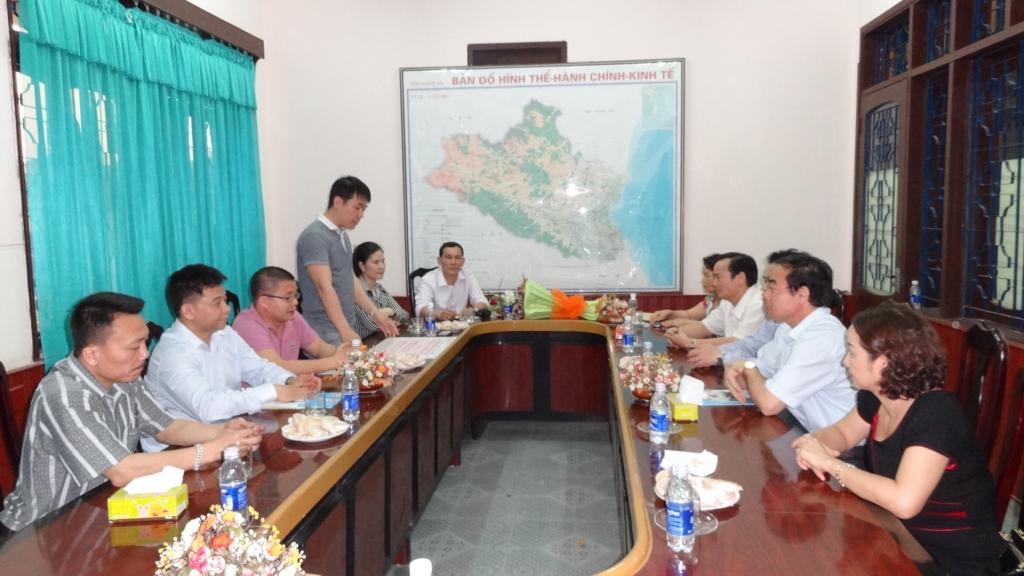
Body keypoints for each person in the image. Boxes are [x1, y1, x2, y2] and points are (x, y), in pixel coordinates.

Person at [0, 293, 262, 532]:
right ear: (92, 354)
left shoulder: (124, 377)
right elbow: (121, 470)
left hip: (104, 510)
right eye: (134, 347)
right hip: (44, 531)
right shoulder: (64, 394)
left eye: (145, 343)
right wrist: (213, 449)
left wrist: (224, 431)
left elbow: (166, 427)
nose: (145, 354)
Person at [793, 303, 1005, 575]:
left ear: (883, 363)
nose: (845, 361)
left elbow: (905, 502)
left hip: (951, 561)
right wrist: (814, 442)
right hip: (901, 538)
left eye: (852, 352)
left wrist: (831, 464)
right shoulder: (878, 397)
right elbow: (844, 433)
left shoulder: (937, 414)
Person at [144, 264, 319, 451]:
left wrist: (289, 381)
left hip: (227, 432)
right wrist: (274, 391)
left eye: (225, 300)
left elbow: (258, 368)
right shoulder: (172, 354)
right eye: (217, 303)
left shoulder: (225, 333)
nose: (226, 309)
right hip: (178, 449)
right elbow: (209, 407)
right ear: (189, 311)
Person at [723, 251, 855, 432]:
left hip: (836, 442)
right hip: (799, 428)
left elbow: (769, 404)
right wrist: (739, 370)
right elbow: (758, 373)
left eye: (771, 287)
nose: (764, 295)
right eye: (764, 287)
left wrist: (747, 367)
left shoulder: (822, 336)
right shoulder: (788, 328)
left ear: (802, 294)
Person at [295, 176, 399, 345]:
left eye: (364, 209)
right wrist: (343, 329)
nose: (361, 215)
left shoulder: (342, 235)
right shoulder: (314, 237)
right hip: (325, 329)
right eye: (357, 207)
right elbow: (324, 287)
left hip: (345, 325)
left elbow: (349, 278)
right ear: (338, 202)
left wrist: (374, 313)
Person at [688, 249, 800, 367]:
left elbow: (769, 369)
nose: (763, 291)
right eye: (765, 282)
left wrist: (720, 357)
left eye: (771, 285)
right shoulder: (775, 322)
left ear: (801, 292)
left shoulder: (812, 334)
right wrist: (719, 353)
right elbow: (750, 345)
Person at [233, 266, 352, 374]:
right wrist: (335, 361)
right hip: (261, 390)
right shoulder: (246, 325)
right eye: (288, 297)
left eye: (295, 295)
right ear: (264, 301)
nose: (295, 302)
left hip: (291, 387)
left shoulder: (293, 317)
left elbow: (319, 348)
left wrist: (345, 354)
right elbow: (277, 368)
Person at [665, 252, 764, 348]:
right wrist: (675, 333)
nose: (714, 283)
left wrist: (690, 343)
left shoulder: (759, 304)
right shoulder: (727, 301)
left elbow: (739, 343)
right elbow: (704, 328)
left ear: (740, 278)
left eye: (718, 277)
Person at [414, 242, 488, 321]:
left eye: (457, 258)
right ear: (439, 260)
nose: (453, 262)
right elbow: (420, 308)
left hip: (463, 324)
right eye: (448, 258)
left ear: (463, 261)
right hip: (436, 325)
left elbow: (482, 301)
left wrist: (474, 310)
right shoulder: (429, 279)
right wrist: (435, 314)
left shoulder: (468, 275)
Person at [351, 241, 410, 338]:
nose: (382, 266)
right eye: (376, 262)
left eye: (383, 261)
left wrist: (390, 311)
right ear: (362, 266)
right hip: (363, 342)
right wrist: (389, 320)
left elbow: (405, 316)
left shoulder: (379, 288)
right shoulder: (356, 291)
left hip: (382, 339)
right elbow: (373, 325)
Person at [650, 253, 721, 327]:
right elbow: (690, 315)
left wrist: (674, 323)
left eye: (706, 275)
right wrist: (671, 313)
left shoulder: (726, 303)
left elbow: (708, 328)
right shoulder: (710, 299)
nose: (702, 281)